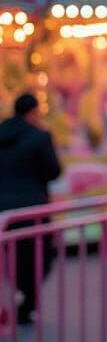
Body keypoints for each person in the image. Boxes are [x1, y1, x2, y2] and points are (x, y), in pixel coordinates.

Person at [0, 93, 61, 324]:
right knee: (37, 258)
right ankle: (27, 302)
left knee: (8, 259)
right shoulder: (39, 137)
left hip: (3, 209)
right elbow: (53, 170)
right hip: (32, 207)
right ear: (34, 111)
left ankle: (14, 300)